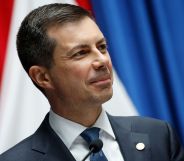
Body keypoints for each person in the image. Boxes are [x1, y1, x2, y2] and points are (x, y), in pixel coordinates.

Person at [0, 3, 183, 161]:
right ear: (42, 77)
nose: (102, 61)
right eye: (81, 53)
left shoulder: (159, 136)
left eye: (102, 47)